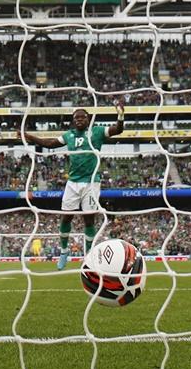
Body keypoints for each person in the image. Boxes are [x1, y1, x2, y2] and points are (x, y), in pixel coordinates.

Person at [24, 104, 124, 271]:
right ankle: (64, 252)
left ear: (89, 119)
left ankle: (90, 257)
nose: (79, 120)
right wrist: (30, 137)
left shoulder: (97, 132)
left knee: (89, 219)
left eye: (82, 117)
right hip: (73, 183)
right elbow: (50, 143)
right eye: (76, 118)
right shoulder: (69, 135)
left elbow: (117, 130)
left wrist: (120, 116)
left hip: (92, 182)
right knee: (66, 218)